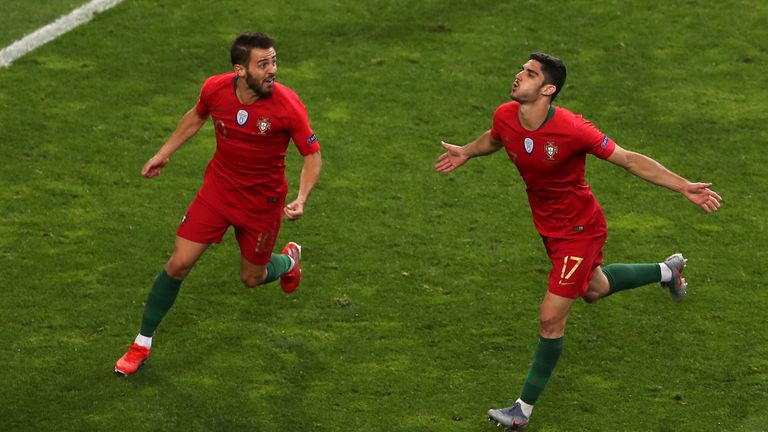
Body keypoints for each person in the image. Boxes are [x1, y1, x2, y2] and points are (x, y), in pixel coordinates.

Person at [435, 52, 721, 430]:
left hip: (580, 230)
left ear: (548, 89)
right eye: (522, 69)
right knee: (594, 289)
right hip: (549, 229)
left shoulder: (573, 129)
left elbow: (630, 160)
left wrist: (684, 185)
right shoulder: (506, 114)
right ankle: (667, 271)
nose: (519, 75)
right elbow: (496, 138)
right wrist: (467, 152)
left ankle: (522, 410)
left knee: (550, 318)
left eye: (530, 73)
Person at [115, 32, 322, 376]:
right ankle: (141, 343)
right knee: (179, 263)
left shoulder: (287, 105)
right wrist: (163, 154)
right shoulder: (215, 88)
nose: (272, 70)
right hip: (218, 192)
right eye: (263, 64)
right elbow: (197, 115)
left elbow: (312, 155)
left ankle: (287, 261)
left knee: (251, 278)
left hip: (261, 204)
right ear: (240, 70)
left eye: (274, 61)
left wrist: (301, 198)